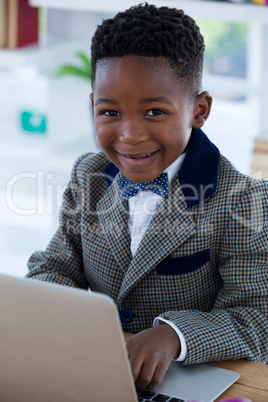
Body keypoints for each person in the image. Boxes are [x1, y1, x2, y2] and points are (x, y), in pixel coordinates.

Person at [27, 2, 268, 391]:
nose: (130, 135)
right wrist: (60, 318)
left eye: (154, 111)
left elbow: (257, 317)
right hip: (98, 368)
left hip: (187, 381)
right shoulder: (89, 176)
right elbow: (55, 266)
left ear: (199, 110)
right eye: (110, 112)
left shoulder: (244, 200)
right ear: (93, 106)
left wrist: (174, 335)